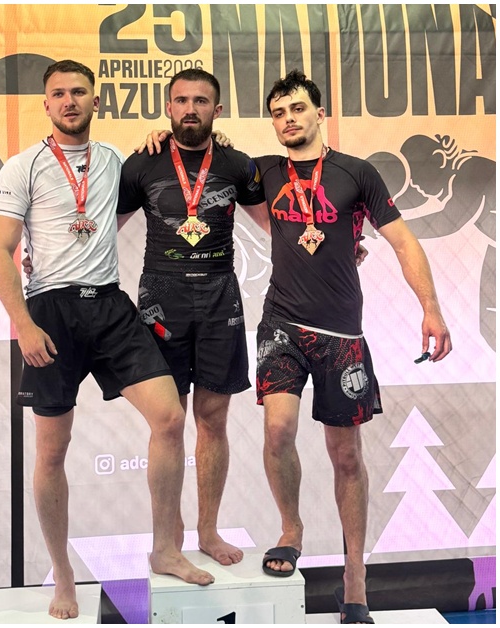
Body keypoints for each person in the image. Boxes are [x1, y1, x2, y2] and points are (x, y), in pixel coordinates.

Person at [0, 59, 214, 620]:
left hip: (109, 304)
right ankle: (62, 576)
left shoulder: (116, 161)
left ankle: (165, 549)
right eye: (58, 93)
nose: (69, 101)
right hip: (49, 311)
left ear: (95, 100)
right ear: (46, 104)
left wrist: (168, 136)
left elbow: (179, 162)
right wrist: (23, 324)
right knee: (51, 450)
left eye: (79, 92)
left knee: (169, 417)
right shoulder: (23, 166)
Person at [253, 70, 448, 623]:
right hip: (281, 323)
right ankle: (291, 529)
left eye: (296, 108)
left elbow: (405, 241)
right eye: (277, 112)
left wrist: (430, 308)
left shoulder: (355, 173)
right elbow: (201, 161)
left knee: (346, 456)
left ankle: (355, 577)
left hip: (341, 333)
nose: (287, 119)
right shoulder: (263, 172)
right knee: (278, 429)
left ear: (320, 114)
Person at [115, 69, 269, 568]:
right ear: (168, 108)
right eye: (180, 100)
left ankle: (207, 530)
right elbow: (101, 231)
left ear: (217, 110)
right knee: (167, 422)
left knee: (213, 418)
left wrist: (337, 249)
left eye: (201, 101)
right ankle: (167, 538)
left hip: (220, 298)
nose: (190, 109)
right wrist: (44, 257)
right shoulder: (143, 162)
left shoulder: (238, 164)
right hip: (161, 298)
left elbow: (277, 227)